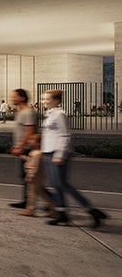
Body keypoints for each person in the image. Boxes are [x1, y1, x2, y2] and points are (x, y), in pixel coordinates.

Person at [40, 89, 107, 227]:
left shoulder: (59, 115)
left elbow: (65, 135)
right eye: (43, 99)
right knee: (56, 185)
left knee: (62, 185)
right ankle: (62, 214)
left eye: (47, 99)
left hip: (57, 153)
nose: (44, 101)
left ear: (57, 100)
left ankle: (91, 210)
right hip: (49, 153)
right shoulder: (49, 114)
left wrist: (59, 155)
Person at [8, 88, 36, 209]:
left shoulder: (27, 112)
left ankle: (52, 201)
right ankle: (26, 200)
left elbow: (30, 132)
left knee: (30, 177)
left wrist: (20, 147)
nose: (12, 99)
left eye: (15, 96)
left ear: (22, 98)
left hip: (27, 149)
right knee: (25, 176)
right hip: (22, 147)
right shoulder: (20, 112)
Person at [17, 134, 55, 217]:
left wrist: (30, 175)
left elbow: (35, 166)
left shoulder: (37, 154)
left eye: (32, 140)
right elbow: (31, 161)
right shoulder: (36, 152)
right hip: (37, 175)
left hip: (35, 176)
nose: (29, 142)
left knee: (32, 193)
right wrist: (23, 157)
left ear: (38, 143)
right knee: (40, 192)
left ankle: (30, 209)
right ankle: (53, 207)